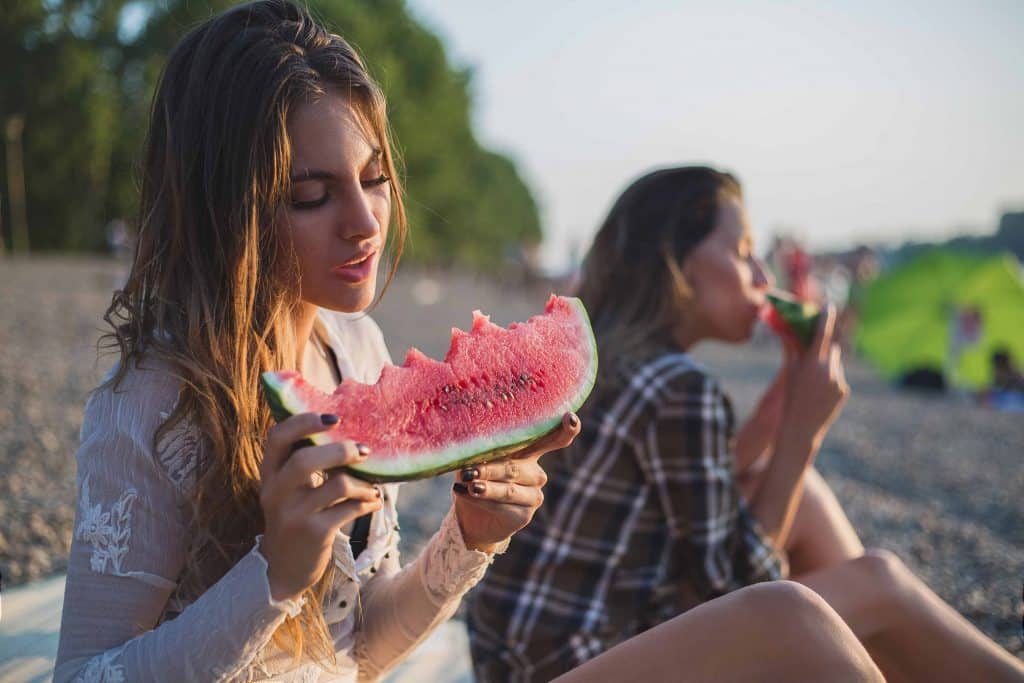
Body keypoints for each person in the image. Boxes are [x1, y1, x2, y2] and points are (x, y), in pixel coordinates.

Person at [54, 6, 886, 682]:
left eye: (374, 178)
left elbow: (362, 649)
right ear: (226, 208)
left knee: (818, 612)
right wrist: (272, 574)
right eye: (312, 195)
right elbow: (83, 676)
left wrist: (469, 538)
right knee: (794, 615)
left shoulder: (355, 345)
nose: (366, 221)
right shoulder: (148, 407)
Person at [467, 166, 1024, 683]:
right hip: (571, 663)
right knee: (875, 583)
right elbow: (737, 593)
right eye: (743, 253)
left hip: (518, 656)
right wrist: (801, 435)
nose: (764, 275)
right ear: (679, 267)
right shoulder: (677, 386)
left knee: (801, 497)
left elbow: (685, 499)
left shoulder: (604, 354)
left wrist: (778, 415)